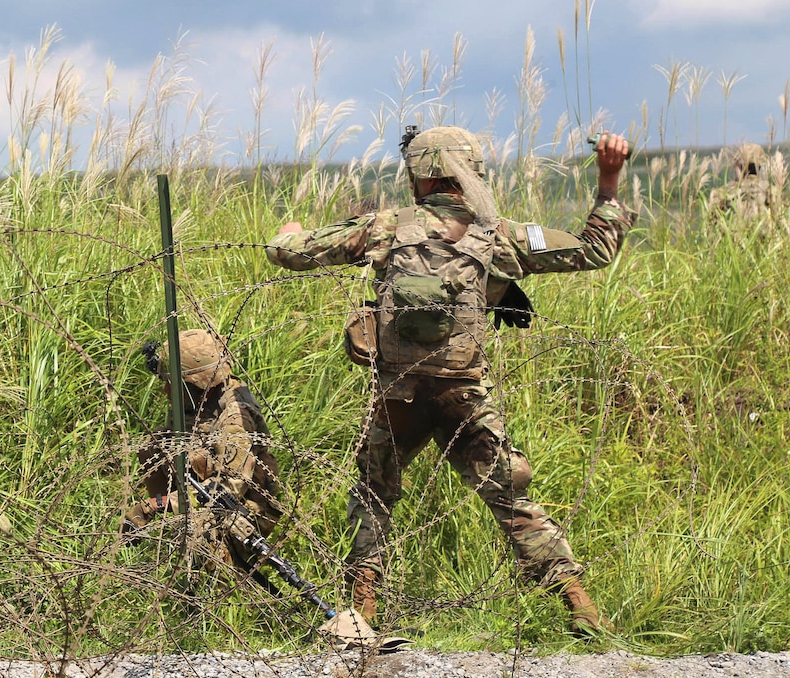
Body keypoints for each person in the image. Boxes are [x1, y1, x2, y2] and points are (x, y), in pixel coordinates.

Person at [264, 126, 636, 636]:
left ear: (417, 175)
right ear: (472, 173)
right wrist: (609, 179)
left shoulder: (384, 228)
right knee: (511, 500)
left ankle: (363, 612)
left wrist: (288, 231)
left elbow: (288, 251)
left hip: (398, 395)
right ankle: (582, 610)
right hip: (464, 395)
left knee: (374, 496)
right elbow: (594, 251)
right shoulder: (500, 236)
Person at [122, 329, 283, 574]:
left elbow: (225, 492)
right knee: (153, 446)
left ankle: (211, 577)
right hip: (205, 481)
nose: (166, 391)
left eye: (172, 385)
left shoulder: (233, 423)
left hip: (245, 506)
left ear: (198, 385)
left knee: (202, 538)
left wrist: (155, 506)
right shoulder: (197, 399)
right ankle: (175, 526)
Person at [709, 142, 776, 219]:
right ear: (759, 166)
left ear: (738, 165)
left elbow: (711, 221)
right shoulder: (770, 190)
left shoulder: (722, 192)